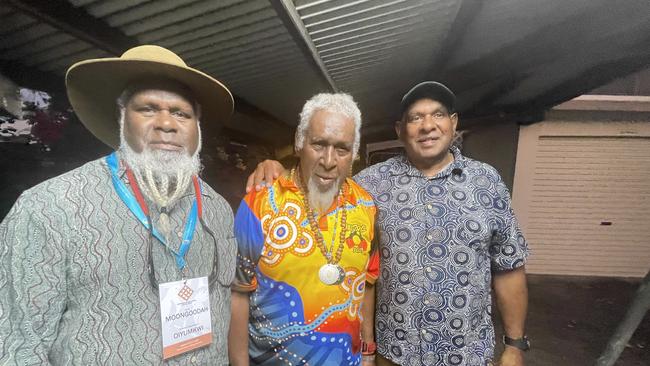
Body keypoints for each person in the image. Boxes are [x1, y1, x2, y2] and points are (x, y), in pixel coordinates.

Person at [245, 82, 530, 366]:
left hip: (466, 355)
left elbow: (509, 266)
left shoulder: (486, 182)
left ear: (453, 123)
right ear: (399, 130)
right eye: (415, 118)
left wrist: (514, 345)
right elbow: (320, 181)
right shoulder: (371, 184)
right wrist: (275, 168)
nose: (427, 125)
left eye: (438, 114)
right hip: (394, 355)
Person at [0, 45, 237, 365]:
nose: (166, 123)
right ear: (122, 119)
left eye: (181, 113)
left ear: (197, 128)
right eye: (148, 109)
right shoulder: (49, 209)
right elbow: (17, 345)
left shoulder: (218, 210)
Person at [229, 93, 379, 365]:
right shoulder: (259, 203)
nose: (329, 160)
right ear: (299, 141)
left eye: (342, 149)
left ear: (354, 153)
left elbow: (367, 282)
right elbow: (238, 293)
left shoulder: (366, 205)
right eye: (319, 144)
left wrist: (368, 349)